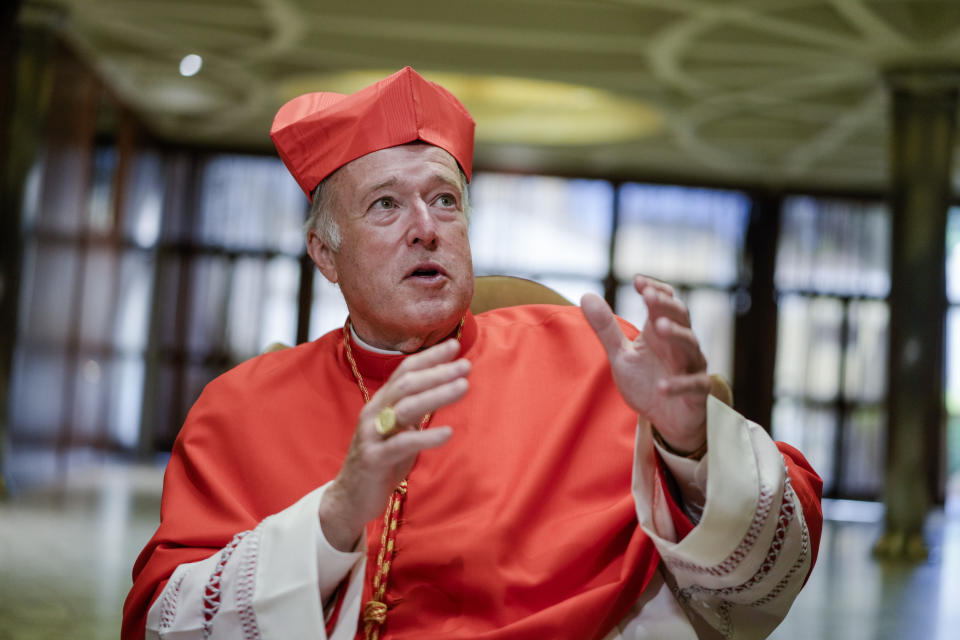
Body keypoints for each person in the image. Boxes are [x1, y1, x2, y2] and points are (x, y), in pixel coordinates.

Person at [123, 67, 822, 640]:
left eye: (445, 200)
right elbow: (165, 622)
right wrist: (336, 517)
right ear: (323, 254)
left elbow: (768, 567)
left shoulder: (594, 363)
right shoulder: (242, 406)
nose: (426, 228)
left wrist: (694, 447)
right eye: (387, 206)